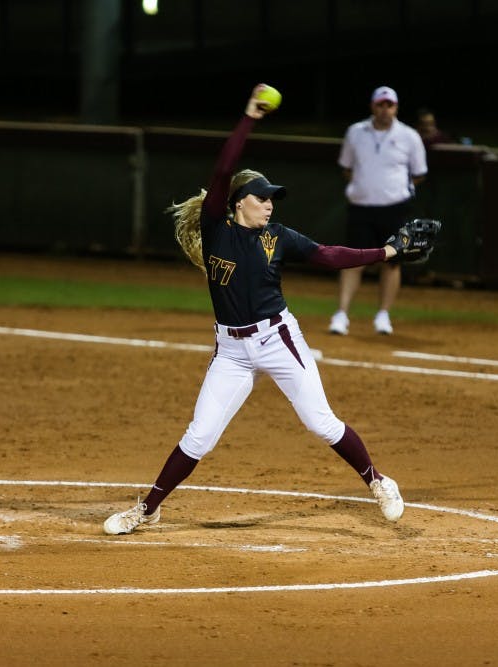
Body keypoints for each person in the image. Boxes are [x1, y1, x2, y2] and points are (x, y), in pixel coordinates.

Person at [103, 84, 408, 536]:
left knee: (319, 422)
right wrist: (249, 117)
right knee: (199, 436)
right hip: (230, 350)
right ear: (238, 201)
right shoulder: (215, 229)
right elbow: (224, 166)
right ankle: (148, 510)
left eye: (272, 199)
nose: (269, 204)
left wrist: (385, 252)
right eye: (262, 197)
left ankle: (378, 482)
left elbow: (328, 255)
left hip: (278, 339)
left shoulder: (279, 236)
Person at [329, 86, 427, 336]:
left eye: (390, 105)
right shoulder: (356, 132)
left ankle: (383, 315)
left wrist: (393, 190)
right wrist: (365, 187)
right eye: (381, 105)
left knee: (392, 262)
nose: (385, 110)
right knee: (353, 261)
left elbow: (419, 173)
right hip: (361, 206)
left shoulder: (409, 136)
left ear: (396, 107)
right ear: (373, 106)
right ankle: (341, 314)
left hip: (395, 208)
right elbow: (346, 167)